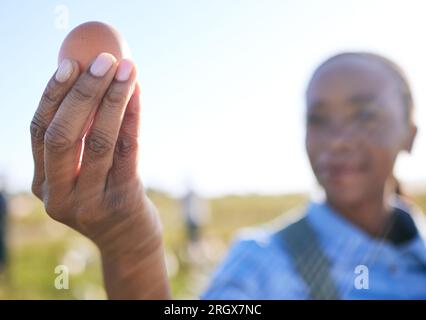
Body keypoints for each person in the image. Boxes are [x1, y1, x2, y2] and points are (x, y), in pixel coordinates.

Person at [29, 51, 426, 300]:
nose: (338, 141)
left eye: (365, 115)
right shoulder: (260, 265)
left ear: (410, 134)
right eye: (318, 119)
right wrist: (130, 249)